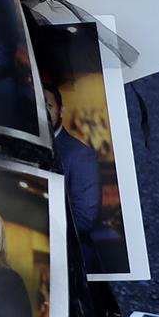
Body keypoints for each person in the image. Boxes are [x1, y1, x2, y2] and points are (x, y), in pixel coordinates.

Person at [46, 84, 103, 273]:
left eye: (48, 105)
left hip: (71, 260)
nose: (42, 111)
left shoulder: (79, 154)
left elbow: (84, 219)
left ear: (61, 110)